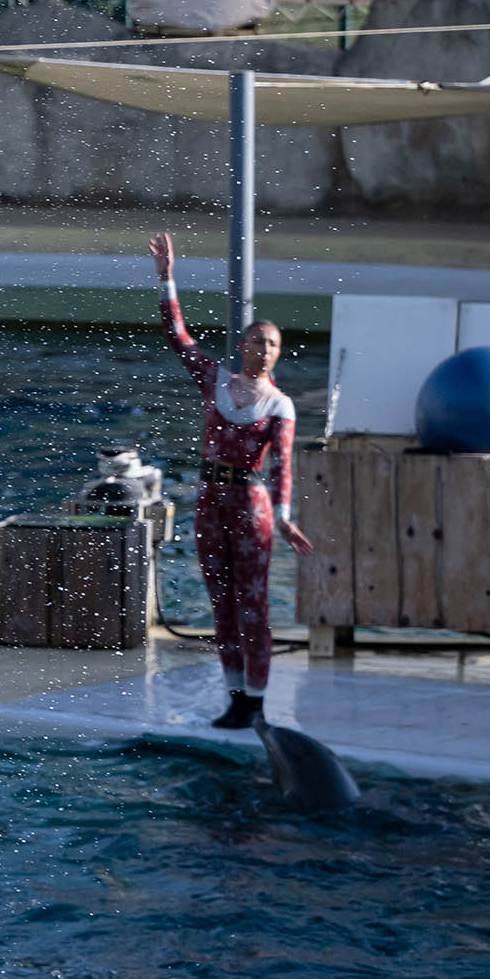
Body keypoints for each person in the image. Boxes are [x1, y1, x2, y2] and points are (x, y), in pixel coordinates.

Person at [149, 232, 312, 729]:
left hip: (250, 503)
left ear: (278, 355)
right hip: (209, 500)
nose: (264, 349)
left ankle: (258, 704)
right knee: (220, 603)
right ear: (242, 345)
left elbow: (282, 465)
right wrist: (167, 279)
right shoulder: (216, 378)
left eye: (273, 344)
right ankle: (235, 699)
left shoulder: (279, 405)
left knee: (253, 606)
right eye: (258, 340)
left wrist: (283, 517)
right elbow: (178, 336)